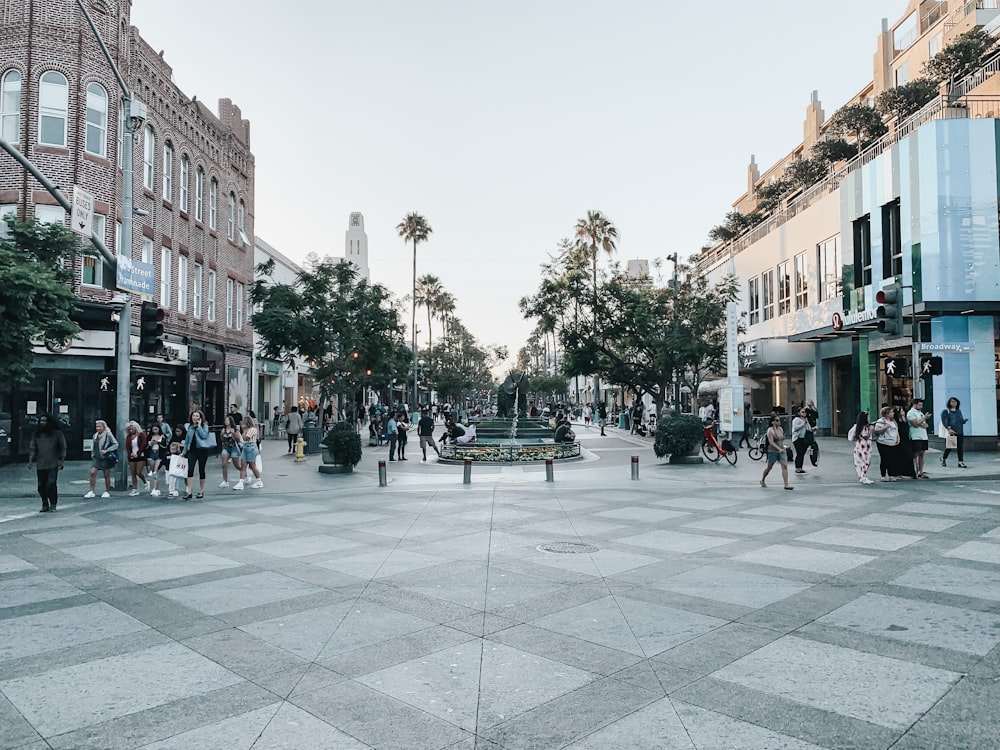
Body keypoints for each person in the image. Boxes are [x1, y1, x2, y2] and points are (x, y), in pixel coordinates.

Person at [28, 413, 66, 512]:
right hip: (41, 463)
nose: (43, 423)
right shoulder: (37, 434)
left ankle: (53, 503)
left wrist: (61, 460)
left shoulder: (57, 434)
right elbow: (33, 448)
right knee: (41, 485)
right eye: (41, 421)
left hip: (53, 462)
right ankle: (45, 503)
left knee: (51, 483)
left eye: (45, 421)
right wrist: (31, 461)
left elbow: (63, 447)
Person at [183, 410, 212, 500]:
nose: (194, 417)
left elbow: (204, 436)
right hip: (192, 450)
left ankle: (201, 490)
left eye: (196, 416)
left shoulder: (204, 426)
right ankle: (189, 491)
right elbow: (187, 440)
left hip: (202, 450)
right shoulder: (190, 427)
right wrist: (184, 452)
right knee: (190, 469)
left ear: (200, 417)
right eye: (193, 416)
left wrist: (199, 426)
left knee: (201, 469)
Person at [85, 419, 118, 499]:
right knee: (92, 473)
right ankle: (91, 491)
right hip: (96, 457)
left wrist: (107, 450)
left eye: (100, 426)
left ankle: (107, 491)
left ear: (104, 427)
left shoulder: (108, 434)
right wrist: (92, 454)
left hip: (105, 457)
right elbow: (94, 446)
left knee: (106, 474)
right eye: (97, 426)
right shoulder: (95, 435)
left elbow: (115, 444)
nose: (98, 428)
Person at [760, 415, 793, 490]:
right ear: (773, 422)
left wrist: (782, 448)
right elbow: (771, 442)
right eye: (777, 420)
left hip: (782, 450)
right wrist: (778, 448)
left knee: (784, 466)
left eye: (779, 420)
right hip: (772, 451)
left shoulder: (780, 429)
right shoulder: (770, 431)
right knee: (769, 467)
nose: (779, 422)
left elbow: (781, 437)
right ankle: (763, 479)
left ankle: (786, 484)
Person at [233, 415, 263, 490]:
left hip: (251, 447)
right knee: (243, 466)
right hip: (246, 447)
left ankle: (259, 481)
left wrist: (244, 430)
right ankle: (241, 482)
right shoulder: (247, 429)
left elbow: (245, 438)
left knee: (252, 465)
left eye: (244, 421)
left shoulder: (252, 429)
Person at [873, 406, 900, 482]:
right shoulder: (881, 421)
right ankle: (883, 475)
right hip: (883, 442)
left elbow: (896, 430)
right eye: (891, 412)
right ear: (887, 413)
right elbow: (877, 430)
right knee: (885, 459)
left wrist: (898, 438)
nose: (893, 413)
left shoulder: (893, 421)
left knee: (893, 459)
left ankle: (892, 474)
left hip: (893, 442)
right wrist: (885, 427)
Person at [940, 396, 968, 468]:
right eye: (952, 401)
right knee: (949, 447)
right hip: (952, 432)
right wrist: (949, 428)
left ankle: (960, 462)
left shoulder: (959, 411)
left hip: (959, 431)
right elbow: (945, 421)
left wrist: (963, 421)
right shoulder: (946, 411)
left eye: (955, 401)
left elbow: (960, 420)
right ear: (949, 403)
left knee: (960, 447)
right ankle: (943, 458)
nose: (954, 403)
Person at [907, 398, 931, 479]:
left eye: (921, 405)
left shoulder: (920, 413)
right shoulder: (911, 413)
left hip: (923, 436)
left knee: (922, 454)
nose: (921, 407)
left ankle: (920, 471)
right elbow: (915, 424)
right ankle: (913, 471)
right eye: (919, 405)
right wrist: (924, 418)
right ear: (915, 404)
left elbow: (924, 424)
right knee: (915, 454)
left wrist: (923, 422)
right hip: (915, 436)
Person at [124, 421, 150, 496]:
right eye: (129, 429)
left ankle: (145, 481)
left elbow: (143, 445)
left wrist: (138, 454)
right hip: (132, 456)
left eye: (132, 428)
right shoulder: (129, 436)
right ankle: (134, 489)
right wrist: (130, 454)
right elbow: (127, 447)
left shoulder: (142, 435)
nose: (131, 430)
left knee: (138, 472)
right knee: (133, 473)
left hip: (140, 455)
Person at [848, 411, 874, 484]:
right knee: (863, 462)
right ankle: (862, 477)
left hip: (866, 447)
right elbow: (866, 437)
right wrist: (871, 430)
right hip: (862, 447)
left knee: (865, 462)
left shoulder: (863, 427)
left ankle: (862, 476)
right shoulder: (861, 428)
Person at [218, 415, 243, 487]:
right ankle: (225, 481)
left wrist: (233, 433)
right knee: (224, 464)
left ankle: (244, 473)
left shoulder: (235, 428)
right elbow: (222, 440)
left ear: (231, 421)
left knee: (237, 465)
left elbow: (238, 439)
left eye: (227, 420)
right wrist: (222, 434)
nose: (226, 422)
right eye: (225, 420)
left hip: (234, 448)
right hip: (226, 448)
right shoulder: (224, 429)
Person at [165, 426, 186, 498]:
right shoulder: (173, 438)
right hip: (174, 458)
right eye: (176, 431)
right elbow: (169, 447)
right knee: (175, 474)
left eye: (179, 431)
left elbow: (186, 446)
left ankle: (187, 486)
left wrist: (181, 446)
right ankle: (175, 489)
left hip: (183, 457)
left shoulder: (185, 438)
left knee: (184, 472)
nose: (177, 433)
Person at [790, 407, 812, 474]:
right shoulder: (796, 420)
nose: (804, 413)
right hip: (798, 438)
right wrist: (803, 423)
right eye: (803, 412)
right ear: (798, 413)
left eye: (805, 412)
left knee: (802, 453)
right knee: (799, 453)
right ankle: (797, 468)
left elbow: (808, 428)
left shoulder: (805, 419)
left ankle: (800, 467)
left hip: (804, 438)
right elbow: (795, 428)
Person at [146, 424, 165, 497]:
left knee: (156, 471)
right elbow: (146, 446)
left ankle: (155, 488)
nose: (155, 431)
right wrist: (151, 443)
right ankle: (155, 487)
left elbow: (165, 445)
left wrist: (158, 442)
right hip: (151, 453)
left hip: (159, 454)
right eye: (153, 429)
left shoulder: (162, 436)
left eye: (156, 429)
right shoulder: (149, 436)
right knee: (152, 470)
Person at [804, 399, 820, 466]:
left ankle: (814, 457)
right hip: (809, 427)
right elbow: (805, 417)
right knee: (811, 441)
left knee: (813, 440)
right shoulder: (806, 410)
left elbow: (816, 416)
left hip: (813, 425)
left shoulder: (814, 410)